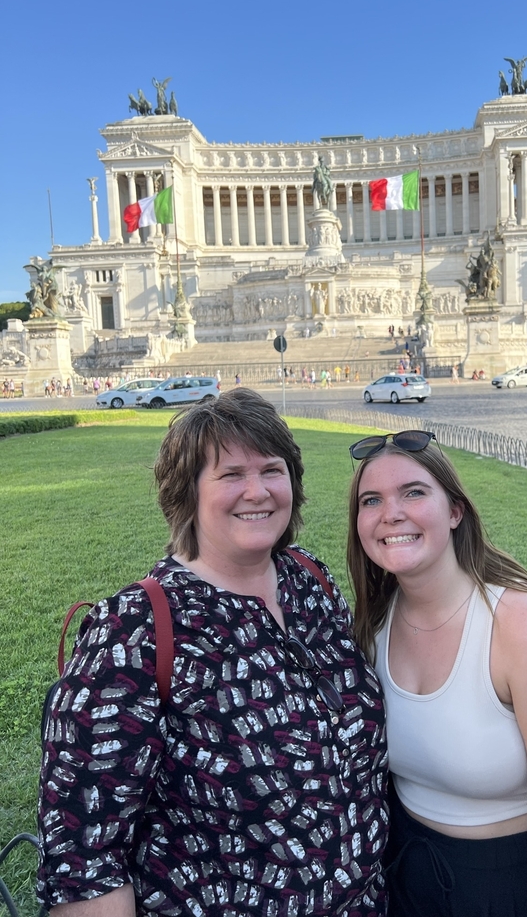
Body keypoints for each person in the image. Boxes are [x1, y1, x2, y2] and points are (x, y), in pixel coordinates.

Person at [37, 389, 389, 917]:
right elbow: (86, 862)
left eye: (272, 470)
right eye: (230, 476)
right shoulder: (133, 632)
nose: (258, 491)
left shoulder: (310, 580)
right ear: (187, 493)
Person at [346, 430, 527, 917]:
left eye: (414, 492)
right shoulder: (372, 623)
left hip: (505, 888)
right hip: (402, 876)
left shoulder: (520, 625)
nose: (391, 512)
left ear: (455, 511)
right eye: (371, 499)